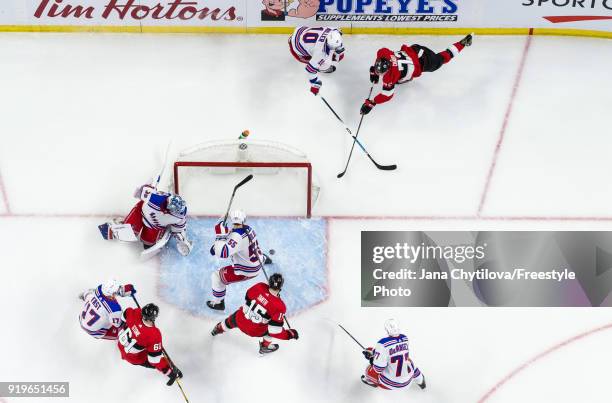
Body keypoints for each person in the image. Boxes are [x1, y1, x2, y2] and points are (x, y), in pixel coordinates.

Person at [361, 33, 473, 115]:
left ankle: (462, 44)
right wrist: (374, 72)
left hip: (426, 61)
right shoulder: (383, 53)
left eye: (380, 72)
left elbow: (386, 95)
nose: (378, 72)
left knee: (443, 58)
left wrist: (372, 102)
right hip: (415, 49)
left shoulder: (390, 77)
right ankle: (405, 77)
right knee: (400, 77)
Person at [210, 273, 299, 354]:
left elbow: (247, 296)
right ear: (281, 287)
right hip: (255, 331)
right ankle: (265, 347)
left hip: (240, 320)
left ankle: (218, 329)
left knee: (233, 318)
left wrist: (263, 299)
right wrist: (289, 335)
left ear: (269, 282)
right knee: (272, 330)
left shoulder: (259, 286)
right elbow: (274, 332)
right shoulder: (280, 306)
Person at [361, 319, 426, 391]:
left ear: (386, 329)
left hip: (391, 383)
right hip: (407, 382)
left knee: (369, 369)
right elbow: (393, 350)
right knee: (409, 361)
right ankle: (421, 381)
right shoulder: (405, 338)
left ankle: (371, 381)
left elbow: (378, 369)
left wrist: (371, 359)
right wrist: (374, 352)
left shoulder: (382, 343)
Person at [288, 26, 345, 95]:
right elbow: (310, 69)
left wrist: (338, 50)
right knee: (324, 63)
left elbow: (338, 35)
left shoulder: (333, 31)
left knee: (330, 57)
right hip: (296, 46)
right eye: (333, 47)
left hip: (300, 31)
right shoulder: (320, 54)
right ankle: (322, 69)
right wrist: (314, 83)